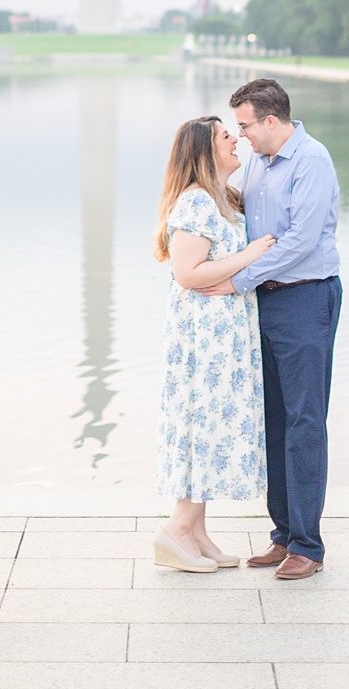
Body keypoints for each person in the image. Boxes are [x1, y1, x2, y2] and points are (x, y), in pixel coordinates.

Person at [228, 76, 342, 581]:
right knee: (273, 419)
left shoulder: (312, 161)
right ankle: (283, 535)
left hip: (305, 299)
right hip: (264, 302)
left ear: (271, 121)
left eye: (246, 125)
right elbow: (246, 219)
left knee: (303, 421)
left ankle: (308, 546)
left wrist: (237, 279)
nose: (242, 135)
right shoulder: (257, 159)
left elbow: (300, 240)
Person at [151, 113, 273, 572]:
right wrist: (250, 254)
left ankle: (196, 532)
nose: (235, 140)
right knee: (202, 424)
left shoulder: (221, 199)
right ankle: (176, 529)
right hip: (204, 340)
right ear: (205, 152)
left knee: (213, 425)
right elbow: (187, 274)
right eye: (226, 137)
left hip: (224, 334)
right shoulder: (197, 202)